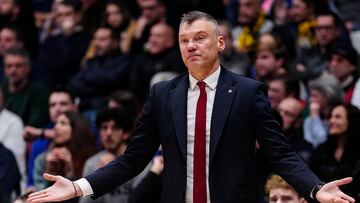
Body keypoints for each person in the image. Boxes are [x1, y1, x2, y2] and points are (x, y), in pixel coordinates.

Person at [28, 11, 355, 203]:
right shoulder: (161, 94)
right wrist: (77, 187)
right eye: (185, 40)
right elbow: (132, 160)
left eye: (200, 37)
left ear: (220, 43)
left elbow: (280, 153)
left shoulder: (248, 91)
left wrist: (314, 189)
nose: (191, 45)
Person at [80, 107, 135, 203]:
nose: (108, 133)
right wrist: (99, 177)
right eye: (104, 128)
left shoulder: (137, 160)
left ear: (125, 133)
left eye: (115, 128)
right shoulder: (92, 163)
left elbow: (142, 198)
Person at [309, 103, 360, 202]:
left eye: (338, 117)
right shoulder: (321, 150)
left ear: (351, 121)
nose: (331, 121)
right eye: (331, 117)